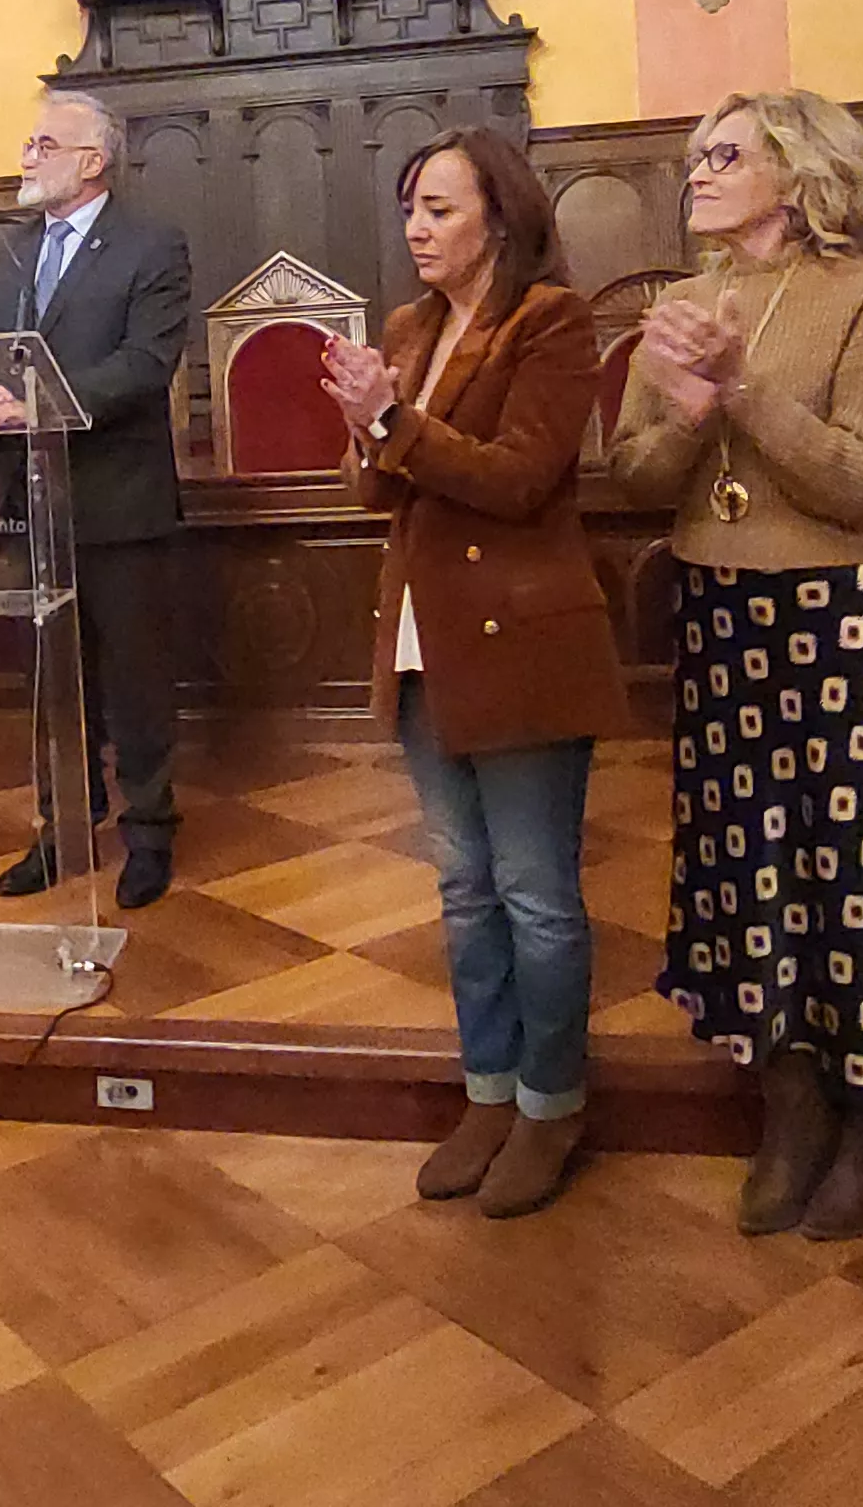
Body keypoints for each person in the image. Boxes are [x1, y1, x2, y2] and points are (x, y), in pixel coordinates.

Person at [608, 88, 863, 1241]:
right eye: (692, 155)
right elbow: (632, 475)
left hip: (844, 607)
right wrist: (682, 412)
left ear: (797, 167)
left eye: (724, 152)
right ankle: (790, 1099)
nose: (698, 172)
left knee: (856, 865)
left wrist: (743, 390)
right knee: (743, 860)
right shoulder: (678, 303)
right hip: (719, 603)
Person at [324, 127, 628, 1219]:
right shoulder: (410, 324)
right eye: (410, 205)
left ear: (498, 215)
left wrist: (393, 420)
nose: (416, 225)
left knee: (535, 893)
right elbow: (380, 495)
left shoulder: (550, 319)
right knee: (462, 889)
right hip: (421, 640)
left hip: (521, 636)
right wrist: (363, 426)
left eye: (439, 207)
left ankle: (553, 1102)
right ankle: (488, 1090)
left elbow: (519, 479)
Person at [0, 90, 194, 908]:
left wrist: (39, 407)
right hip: (29, 508)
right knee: (49, 685)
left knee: (134, 685)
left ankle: (150, 833)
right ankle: (63, 826)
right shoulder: (4, 255)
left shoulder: (150, 244)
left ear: (91, 161)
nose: (25, 156)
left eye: (42, 143)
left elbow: (143, 365)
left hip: (119, 505)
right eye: (27, 142)